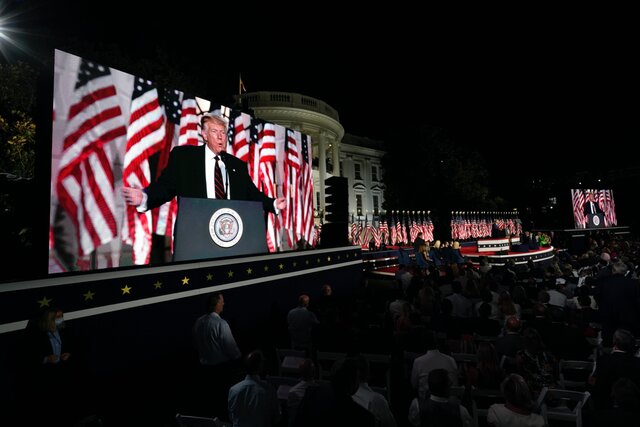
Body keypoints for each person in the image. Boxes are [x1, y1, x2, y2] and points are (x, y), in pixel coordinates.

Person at [122, 114, 286, 213]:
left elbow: (252, 194)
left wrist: (272, 203)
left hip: (230, 232)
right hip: (195, 232)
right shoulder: (184, 157)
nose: (220, 137)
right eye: (215, 132)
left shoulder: (237, 165)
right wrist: (145, 196)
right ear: (204, 135)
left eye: (223, 132)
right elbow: (166, 187)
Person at [192, 292, 242, 420]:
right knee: (223, 404)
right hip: (221, 370)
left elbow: (196, 344)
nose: (224, 303)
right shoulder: (221, 324)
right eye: (222, 301)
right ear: (216, 304)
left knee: (211, 405)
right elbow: (233, 350)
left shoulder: (198, 322)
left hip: (204, 370)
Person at [228, 350, 281, 427]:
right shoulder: (268, 389)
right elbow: (276, 418)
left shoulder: (233, 390)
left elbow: (232, 417)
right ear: (261, 367)